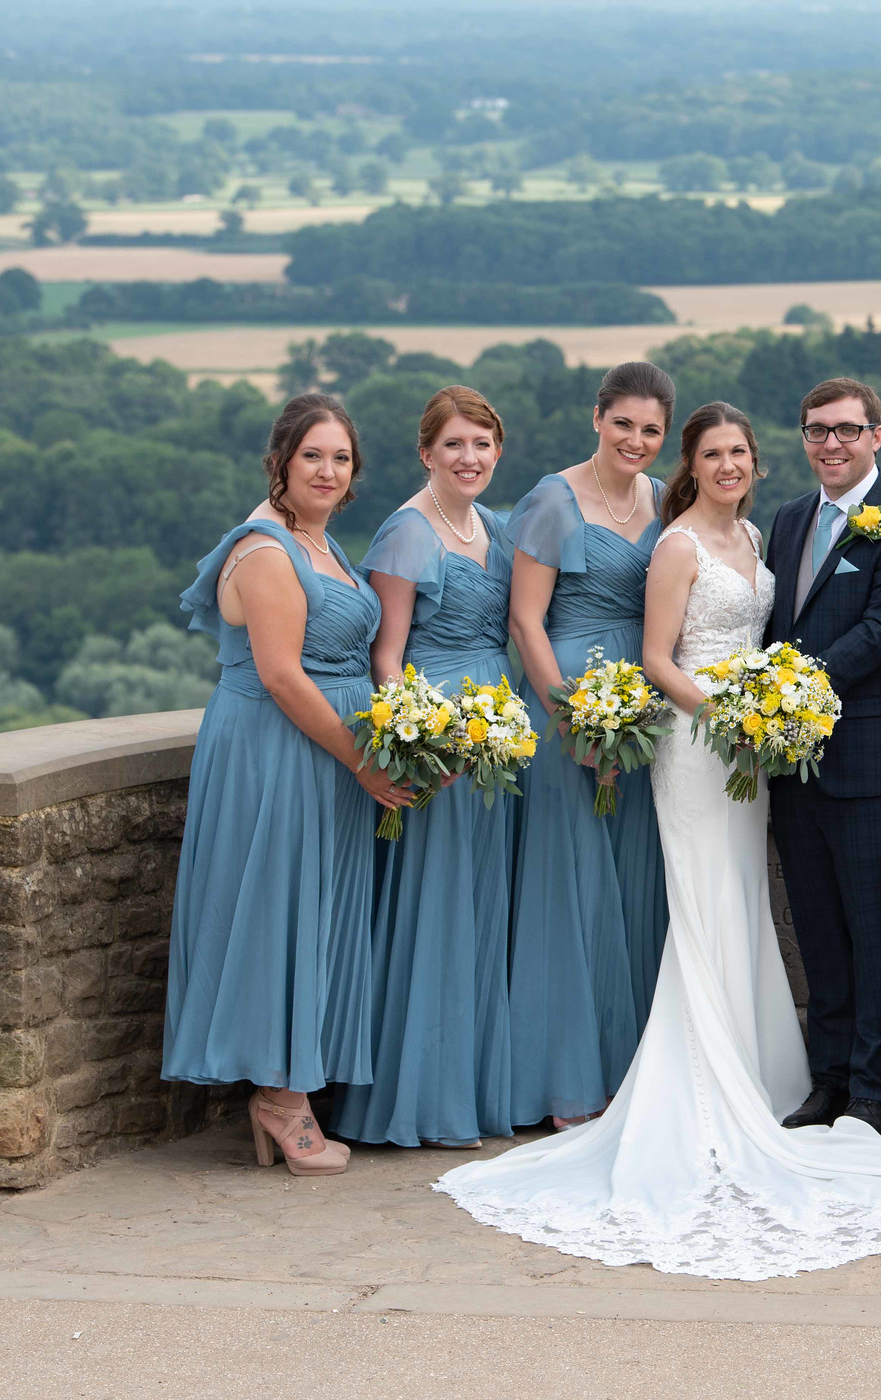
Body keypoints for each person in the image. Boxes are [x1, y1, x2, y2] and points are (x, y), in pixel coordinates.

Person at [437, 404, 881, 1280]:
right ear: (690, 467)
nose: (729, 464)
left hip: (767, 747)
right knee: (705, 902)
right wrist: (734, 714)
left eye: (739, 451)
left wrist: (770, 711)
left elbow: (863, 631)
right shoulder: (681, 544)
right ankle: (715, 1087)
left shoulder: (770, 538)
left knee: (750, 901)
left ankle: (795, 1080)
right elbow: (661, 656)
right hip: (703, 748)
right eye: (711, 454)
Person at [162, 394, 411, 1177]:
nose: (329, 471)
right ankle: (277, 1096)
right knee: (278, 911)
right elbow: (277, 673)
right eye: (313, 456)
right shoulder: (268, 549)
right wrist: (362, 758)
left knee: (319, 911)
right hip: (281, 748)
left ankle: (299, 1078)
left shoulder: (323, 543)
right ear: (280, 462)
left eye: (341, 459)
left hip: (327, 754)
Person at [332, 386, 519, 1150]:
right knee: (435, 908)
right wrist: (420, 742)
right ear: (425, 453)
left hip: (498, 732)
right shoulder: (408, 534)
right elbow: (386, 656)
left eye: (481, 444)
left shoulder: (494, 529)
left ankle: (472, 1091)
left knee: (482, 907)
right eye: (454, 446)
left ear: (497, 451)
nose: (469, 458)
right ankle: (420, 1099)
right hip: (437, 737)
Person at [766, 378, 881, 1137]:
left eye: (845, 430)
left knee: (875, 928)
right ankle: (828, 1077)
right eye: (816, 431)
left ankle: (877, 1087)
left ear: (876, 434)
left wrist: (784, 687)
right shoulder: (785, 520)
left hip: (873, 760)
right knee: (817, 929)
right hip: (793, 761)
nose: (830, 445)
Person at [506, 362, 674, 1128]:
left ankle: (630, 1070)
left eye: (651, 430)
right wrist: (567, 716)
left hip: (640, 717)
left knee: (633, 890)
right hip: (568, 703)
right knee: (569, 889)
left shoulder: (664, 498)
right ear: (596, 417)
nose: (635, 441)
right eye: (624, 424)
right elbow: (525, 621)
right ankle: (562, 1080)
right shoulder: (552, 498)